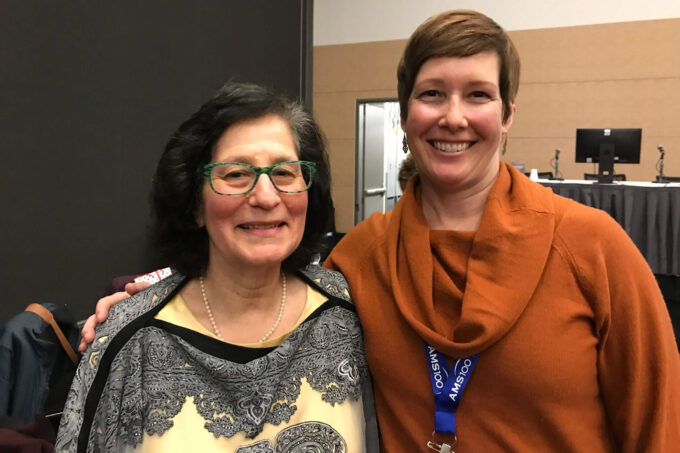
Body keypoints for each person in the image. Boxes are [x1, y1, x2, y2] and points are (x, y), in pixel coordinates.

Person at [80, 10, 680, 452]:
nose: (453, 116)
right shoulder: (362, 257)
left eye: (478, 95)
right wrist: (154, 292)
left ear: (508, 115)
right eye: (431, 94)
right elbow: (261, 272)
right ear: (405, 113)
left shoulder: (593, 248)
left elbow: (658, 424)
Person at [57, 82, 378, 452]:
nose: (266, 196)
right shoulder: (131, 343)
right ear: (194, 204)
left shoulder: (351, 317)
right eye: (236, 174)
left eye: (285, 173)